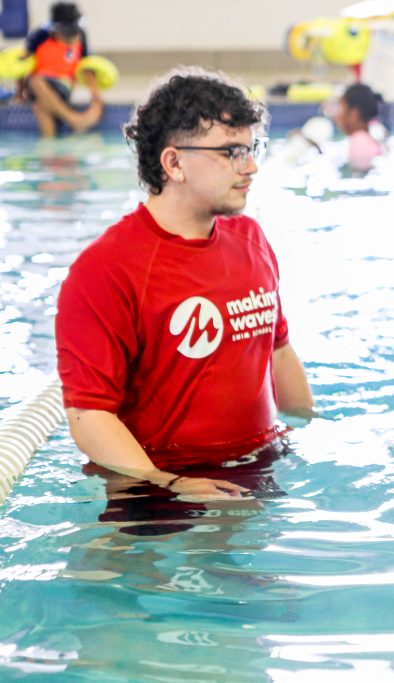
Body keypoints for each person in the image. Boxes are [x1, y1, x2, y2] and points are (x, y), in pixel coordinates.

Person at [55, 67, 314, 500]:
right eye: (231, 152)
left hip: (258, 467)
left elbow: (279, 350)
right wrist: (171, 485)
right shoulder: (106, 269)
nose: (250, 167)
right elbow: (89, 414)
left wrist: (310, 429)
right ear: (173, 163)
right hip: (155, 487)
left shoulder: (250, 238)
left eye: (253, 149)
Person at [18, 2, 103, 137]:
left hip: (63, 86)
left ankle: (49, 145)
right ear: (55, 28)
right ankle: (73, 119)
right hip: (37, 84)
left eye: (73, 31)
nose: (71, 37)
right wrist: (19, 93)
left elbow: (88, 67)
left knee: (40, 106)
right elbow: (22, 65)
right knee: (35, 81)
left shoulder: (81, 35)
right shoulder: (39, 35)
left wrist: (96, 94)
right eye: (66, 32)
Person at [329, 82, 386, 174]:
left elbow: (359, 175)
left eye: (341, 108)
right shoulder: (368, 138)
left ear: (354, 114)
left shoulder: (360, 140)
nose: (337, 115)